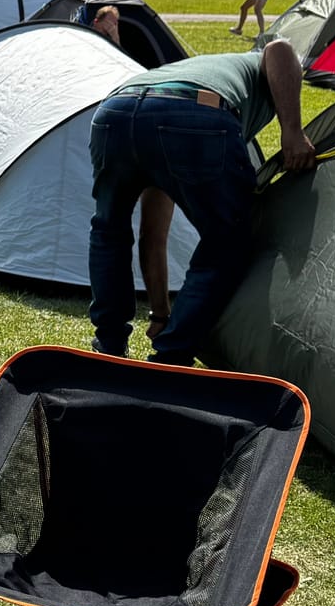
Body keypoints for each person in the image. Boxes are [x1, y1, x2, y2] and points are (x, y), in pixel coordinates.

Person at [88, 43, 317, 367]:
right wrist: (291, 131)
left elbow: (153, 235)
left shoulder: (199, 71)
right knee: (229, 239)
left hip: (115, 112)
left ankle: (109, 346)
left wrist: (160, 312)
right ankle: (171, 358)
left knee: (109, 231)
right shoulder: (256, 64)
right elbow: (280, 49)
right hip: (196, 112)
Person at [90, 7, 177, 336]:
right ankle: (137, 327)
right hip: (140, 121)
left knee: (135, 231)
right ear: (95, 21)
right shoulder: (93, 45)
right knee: (114, 229)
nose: (112, 25)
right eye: (107, 20)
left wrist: (116, 38)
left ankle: (154, 320)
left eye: (115, 20)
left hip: (129, 121)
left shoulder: (127, 50)